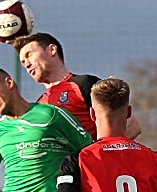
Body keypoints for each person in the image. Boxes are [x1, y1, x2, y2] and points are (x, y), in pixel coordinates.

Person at [12, 32, 141, 140]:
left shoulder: (83, 84)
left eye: (29, 55)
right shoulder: (40, 105)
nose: (26, 64)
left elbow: (131, 126)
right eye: (23, 62)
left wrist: (95, 157)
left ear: (52, 50)